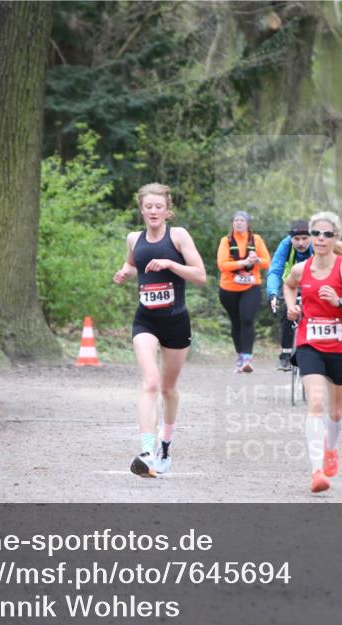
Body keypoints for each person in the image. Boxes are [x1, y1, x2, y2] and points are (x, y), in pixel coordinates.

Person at [114, 183, 206, 477]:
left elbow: (201, 276)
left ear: (168, 210)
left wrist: (169, 263)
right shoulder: (133, 238)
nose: (153, 211)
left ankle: (165, 444)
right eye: (148, 206)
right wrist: (124, 273)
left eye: (158, 207)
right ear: (141, 209)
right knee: (150, 383)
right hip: (146, 321)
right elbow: (132, 265)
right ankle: (146, 450)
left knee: (168, 389)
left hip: (176, 322)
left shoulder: (178, 236)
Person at [283, 211, 342, 493]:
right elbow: (289, 285)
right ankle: (316, 471)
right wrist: (292, 307)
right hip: (310, 343)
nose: (320, 239)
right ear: (310, 237)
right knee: (316, 405)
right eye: (315, 234)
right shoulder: (301, 269)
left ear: (336, 238)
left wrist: (341, 301)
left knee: (335, 412)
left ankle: (331, 449)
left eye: (326, 234)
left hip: (341, 346)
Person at [216, 211, 271, 372]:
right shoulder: (226, 241)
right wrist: (243, 263)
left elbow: (267, 263)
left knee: (247, 319)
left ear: (248, 224)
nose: (239, 223)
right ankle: (240, 356)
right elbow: (223, 265)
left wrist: (256, 260)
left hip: (251, 287)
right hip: (228, 288)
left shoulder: (256, 240)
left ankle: (247, 358)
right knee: (236, 322)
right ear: (232, 223)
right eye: (236, 220)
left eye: (242, 220)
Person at [266, 219, 313, 371]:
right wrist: (272, 293)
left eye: (305, 238)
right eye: (296, 239)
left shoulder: (317, 246)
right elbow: (275, 270)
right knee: (289, 311)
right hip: (291, 285)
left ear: (311, 237)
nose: (300, 243)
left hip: (312, 284)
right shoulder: (285, 245)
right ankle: (285, 354)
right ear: (291, 238)